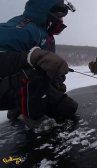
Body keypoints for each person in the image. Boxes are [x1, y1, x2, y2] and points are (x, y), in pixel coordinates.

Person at [0, 0, 78, 128]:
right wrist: (29, 57)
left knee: (68, 108)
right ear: (46, 11)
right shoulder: (23, 28)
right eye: (59, 15)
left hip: (22, 86)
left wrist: (55, 79)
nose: (62, 20)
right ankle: (35, 121)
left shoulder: (46, 36)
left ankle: (19, 107)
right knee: (36, 75)